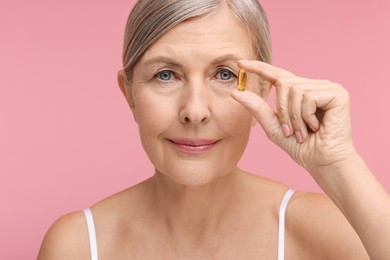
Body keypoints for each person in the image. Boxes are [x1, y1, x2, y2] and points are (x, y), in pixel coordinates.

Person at [38, 0, 390, 259]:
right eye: (166, 75)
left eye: (224, 74)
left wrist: (340, 164)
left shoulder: (327, 231)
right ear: (129, 92)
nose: (194, 111)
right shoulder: (77, 245)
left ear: (262, 90)